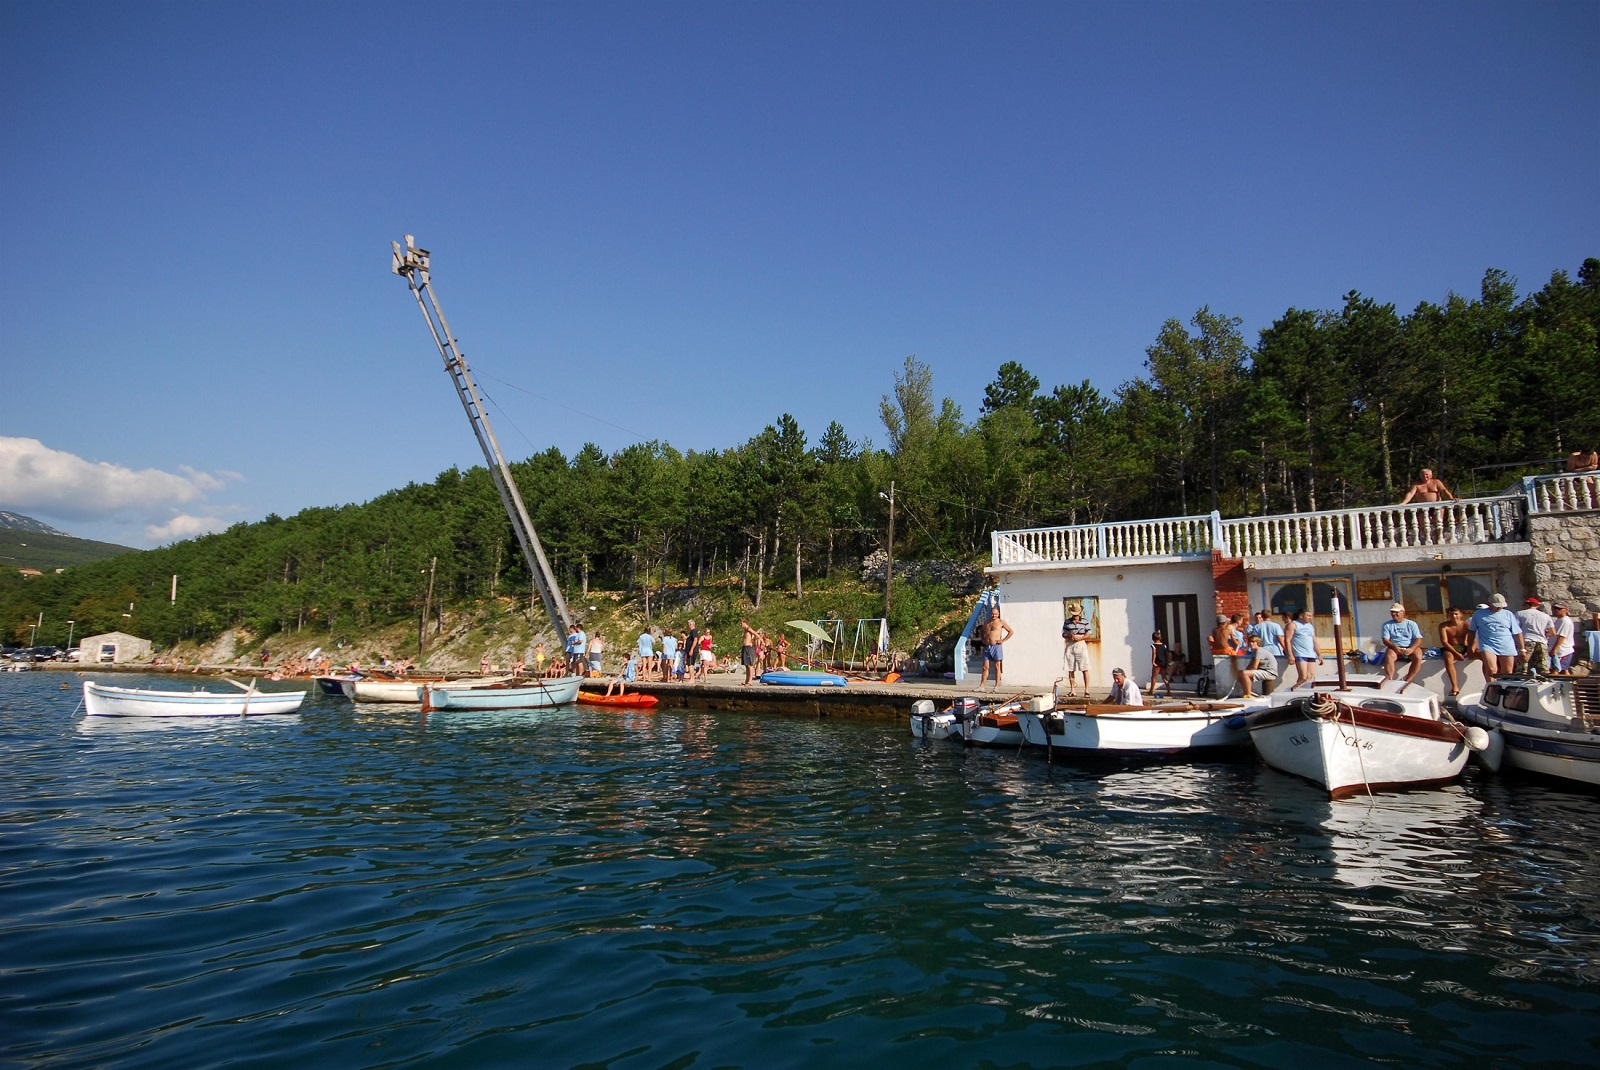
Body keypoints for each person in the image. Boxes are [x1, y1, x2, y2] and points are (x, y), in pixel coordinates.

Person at [1468, 594, 1525, 682]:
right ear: (1489, 604)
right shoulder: (1478, 614)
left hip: (1506, 644)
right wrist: (1470, 648)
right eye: (1496, 605)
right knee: (1491, 670)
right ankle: (1491, 686)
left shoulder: (1508, 614)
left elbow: (1517, 633)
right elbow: (1472, 631)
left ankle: (1504, 688)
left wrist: (1522, 649)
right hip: (1487, 644)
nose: (1499, 607)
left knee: (1507, 672)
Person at [1380, 602, 1424, 688]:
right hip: (1395, 646)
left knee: (1418, 657)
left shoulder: (1412, 624)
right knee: (1389, 656)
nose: (1394, 614)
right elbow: (1385, 640)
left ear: (1403, 613)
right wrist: (1395, 647)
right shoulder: (1387, 625)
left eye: (1396, 612)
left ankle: (1408, 680)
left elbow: (1418, 638)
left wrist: (1411, 649)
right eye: (1392, 612)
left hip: (1410, 646)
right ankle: (1390, 679)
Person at [1438, 608, 1472, 697]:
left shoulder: (1467, 625)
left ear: (1461, 614)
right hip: (1450, 647)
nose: (1454, 616)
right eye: (1451, 614)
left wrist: (1470, 650)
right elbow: (1444, 642)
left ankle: (1491, 681)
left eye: (1456, 614)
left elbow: (1474, 639)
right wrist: (1457, 654)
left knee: (1482, 655)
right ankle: (1455, 687)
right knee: (1448, 657)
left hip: (1463, 647)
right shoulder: (1443, 626)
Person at [1285, 608, 1322, 688]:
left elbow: (1314, 641)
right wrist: (1290, 655)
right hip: (1300, 653)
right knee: (1303, 677)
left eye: (1311, 616)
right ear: (1301, 616)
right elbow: (1287, 640)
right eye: (1308, 615)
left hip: (1311, 654)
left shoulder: (1310, 626)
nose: (1310, 618)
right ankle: (1294, 691)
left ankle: (1305, 692)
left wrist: (1319, 655)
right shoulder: (1293, 625)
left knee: (1310, 676)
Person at [979, 609, 1015, 691]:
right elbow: (982, 631)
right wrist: (982, 639)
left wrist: (1003, 640)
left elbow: (1010, 631)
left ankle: (996, 686)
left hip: (996, 646)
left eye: (995, 614)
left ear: (998, 614)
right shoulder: (987, 622)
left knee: (997, 666)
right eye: (992, 614)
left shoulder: (1001, 622)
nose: (994, 615)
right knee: (985, 667)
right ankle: (982, 686)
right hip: (987, 646)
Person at [1515, 597, 1552, 675]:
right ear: (1537, 605)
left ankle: (1521, 680)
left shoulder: (1520, 614)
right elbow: (1552, 632)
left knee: (1522, 667)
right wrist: (1545, 635)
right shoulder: (1546, 616)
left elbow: (1516, 630)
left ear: (1527, 604)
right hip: (1541, 642)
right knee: (1543, 668)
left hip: (1526, 640)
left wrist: (1521, 648)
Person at [1061, 605, 1091, 696]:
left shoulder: (1084, 621)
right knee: (1070, 668)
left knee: (1085, 668)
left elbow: (1089, 633)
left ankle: (1087, 690)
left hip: (1081, 644)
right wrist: (1070, 636)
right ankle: (1073, 690)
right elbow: (1063, 634)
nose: (1075, 616)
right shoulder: (1067, 622)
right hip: (1070, 644)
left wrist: (1081, 638)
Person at [1239, 633, 1278, 698]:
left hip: (1270, 672)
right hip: (1263, 671)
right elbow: (1250, 665)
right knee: (1241, 673)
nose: (1251, 644)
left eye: (1253, 642)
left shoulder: (1259, 651)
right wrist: (1241, 673)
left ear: (1258, 643)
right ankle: (1246, 693)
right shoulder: (1254, 652)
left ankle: (1248, 694)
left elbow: (1254, 666)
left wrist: (1245, 673)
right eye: (1250, 642)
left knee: (1244, 673)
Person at [1548, 603, 1576, 673]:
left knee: (1554, 670)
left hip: (1562, 651)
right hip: (1560, 650)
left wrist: (1554, 649)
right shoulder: (1559, 620)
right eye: (1555, 608)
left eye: (1559, 609)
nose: (1556, 610)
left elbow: (1562, 637)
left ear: (1565, 610)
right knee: (1564, 670)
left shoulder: (1564, 621)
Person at [1148, 630, 1175, 697]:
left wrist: (1153, 661)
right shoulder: (1164, 646)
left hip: (1157, 663)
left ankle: (1151, 691)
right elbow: (1167, 654)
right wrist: (1167, 662)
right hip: (1163, 663)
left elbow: (1154, 653)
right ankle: (1168, 691)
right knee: (1164, 677)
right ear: (1160, 638)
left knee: (1154, 677)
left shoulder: (1153, 646)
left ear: (1153, 639)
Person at [740, 620, 759, 685]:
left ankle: (750, 681)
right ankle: (746, 680)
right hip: (745, 647)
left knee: (750, 665)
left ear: (745, 623)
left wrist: (752, 642)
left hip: (748, 648)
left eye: (741, 623)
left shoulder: (748, 628)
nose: (741, 624)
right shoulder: (745, 630)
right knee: (746, 665)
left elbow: (756, 634)